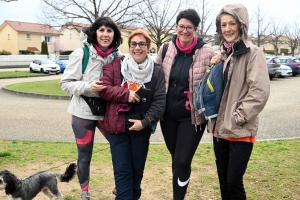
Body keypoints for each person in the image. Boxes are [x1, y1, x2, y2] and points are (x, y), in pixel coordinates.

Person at [210, 4, 270, 200]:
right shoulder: (226, 55)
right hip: (219, 130)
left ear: (241, 25)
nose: (227, 29)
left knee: (234, 182)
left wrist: (238, 117)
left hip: (239, 129)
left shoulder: (253, 53)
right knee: (223, 181)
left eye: (232, 23)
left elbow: (259, 91)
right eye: (223, 24)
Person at [60, 16, 122, 200]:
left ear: (114, 35)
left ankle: (121, 186)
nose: (105, 34)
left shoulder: (118, 57)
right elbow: (66, 84)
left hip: (107, 112)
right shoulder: (81, 54)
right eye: (101, 30)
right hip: (82, 112)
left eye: (109, 30)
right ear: (95, 32)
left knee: (120, 147)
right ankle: (84, 193)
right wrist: (88, 86)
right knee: (84, 155)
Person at [155, 9, 215, 200]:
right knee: (177, 159)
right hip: (168, 117)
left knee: (182, 159)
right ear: (176, 27)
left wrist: (219, 63)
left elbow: (216, 80)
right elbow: (154, 77)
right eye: (181, 26)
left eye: (189, 27)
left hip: (193, 118)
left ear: (196, 29)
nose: (185, 31)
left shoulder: (207, 52)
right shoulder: (165, 49)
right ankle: (178, 190)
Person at [99, 29, 166, 200]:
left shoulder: (156, 71)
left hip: (141, 130)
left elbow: (159, 102)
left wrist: (145, 122)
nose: (137, 48)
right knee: (122, 174)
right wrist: (125, 94)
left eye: (142, 44)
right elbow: (104, 90)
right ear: (129, 46)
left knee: (136, 175)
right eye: (134, 44)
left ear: (148, 47)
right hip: (118, 129)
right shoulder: (115, 65)